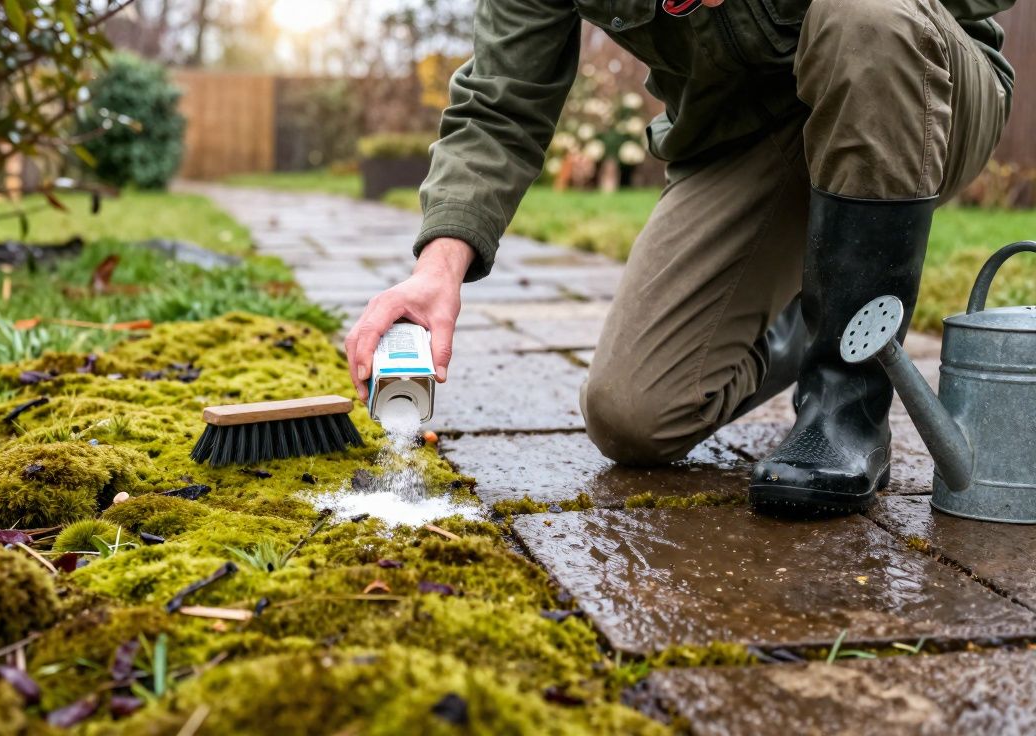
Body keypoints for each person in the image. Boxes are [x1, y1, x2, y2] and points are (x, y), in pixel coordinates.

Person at [345, 0, 1014, 515]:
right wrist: (437, 267)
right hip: (744, 137)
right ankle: (819, 310)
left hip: (920, 84)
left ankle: (846, 405)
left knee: (865, 15)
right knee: (633, 413)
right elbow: (500, 103)